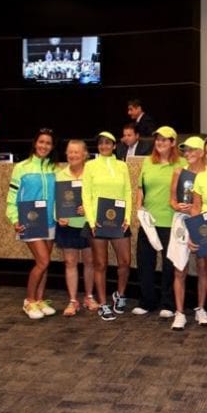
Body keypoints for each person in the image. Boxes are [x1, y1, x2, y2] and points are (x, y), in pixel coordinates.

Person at [172, 136, 207, 333]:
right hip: (196, 227)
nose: (189, 154)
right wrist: (194, 230)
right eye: (186, 151)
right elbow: (192, 206)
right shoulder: (192, 175)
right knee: (194, 269)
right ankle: (191, 313)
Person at [132, 126, 184, 319]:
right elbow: (140, 189)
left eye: (165, 139)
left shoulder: (182, 163)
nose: (160, 143)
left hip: (171, 221)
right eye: (158, 139)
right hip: (149, 222)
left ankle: (168, 304)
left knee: (169, 265)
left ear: (173, 143)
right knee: (145, 263)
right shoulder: (147, 162)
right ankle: (147, 301)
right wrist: (138, 209)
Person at [6, 128, 58, 319]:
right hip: (30, 223)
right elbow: (11, 198)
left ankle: (39, 300)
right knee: (43, 261)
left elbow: (59, 197)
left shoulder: (54, 169)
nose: (44, 146)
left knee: (44, 263)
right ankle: (29, 301)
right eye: (41, 142)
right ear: (35, 143)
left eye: (48, 143)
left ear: (52, 147)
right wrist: (15, 219)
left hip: (50, 222)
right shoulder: (22, 167)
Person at [82, 131, 132, 321]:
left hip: (120, 221)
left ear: (114, 145)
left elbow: (127, 191)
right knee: (100, 264)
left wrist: (127, 217)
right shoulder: (90, 166)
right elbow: (86, 195)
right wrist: (91, 219)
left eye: (107, 143)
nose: (104, 146)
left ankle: (119, 295)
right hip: (98, 222)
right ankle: (103, 303)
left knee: (125, 262)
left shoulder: (122, 166)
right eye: (101, 143)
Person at [55, 140, 97, 316]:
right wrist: (58, 216)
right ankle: (73, 301)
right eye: (70, 152)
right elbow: (55, 200)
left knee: (89, 262)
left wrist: (89, 208)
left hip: (88, 225)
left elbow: (97, 197)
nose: (72, 155)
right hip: (68, 225)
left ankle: (89, 296)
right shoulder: (60, 175)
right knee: (70, 263)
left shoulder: (92, 173)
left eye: (76, 152)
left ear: (85, 154)